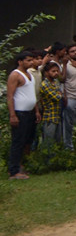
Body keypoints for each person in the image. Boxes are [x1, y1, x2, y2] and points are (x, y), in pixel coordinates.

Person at [7, 51, 39, 179]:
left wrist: (36, 111)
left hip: (30, 112)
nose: (31, 62)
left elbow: (32, 94)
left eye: (32, 60)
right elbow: (10, 96)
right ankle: (14, 171)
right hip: (20, 112)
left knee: (27, 141)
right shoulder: (15, 75)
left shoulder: (30, 74)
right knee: (18, 141)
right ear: (20, 62)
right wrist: (12, 115)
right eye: (28, 60)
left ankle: (21, 165)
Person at [62, 43, 76, 150]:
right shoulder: (66, 65)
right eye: (72, 51)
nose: (75, 52)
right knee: (68, 123)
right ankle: (68, 146)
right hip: (71, 96)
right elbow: (62, 80)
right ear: (68, 54)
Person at [37, 61, 63, 147]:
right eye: (53, 71)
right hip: (49, 117)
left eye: (57, 71)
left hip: (57, 116)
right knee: (48, 143)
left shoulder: (56, 82)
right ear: (46, 72)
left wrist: (60, 94)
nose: (56, 73)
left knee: (57, 141)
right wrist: (60, 94)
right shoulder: (45, 84)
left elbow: (59, 94)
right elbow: (56, 97)